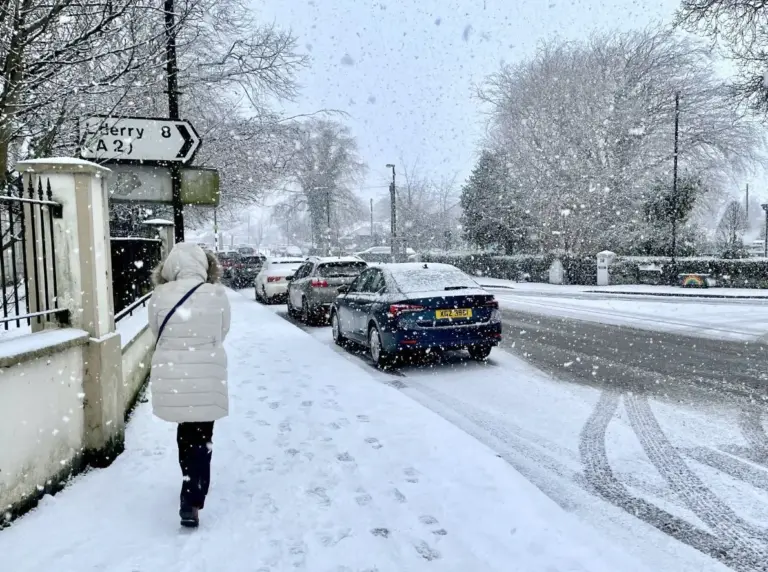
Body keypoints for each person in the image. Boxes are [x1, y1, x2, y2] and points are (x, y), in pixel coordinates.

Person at [148, 242, 231, 528]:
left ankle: (188, 482)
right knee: (202, 435)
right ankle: (192, 497)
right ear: (204, 266)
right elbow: (222, 331)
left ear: (171, 266)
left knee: (185, 431)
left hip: (174, 374)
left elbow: (156, 331)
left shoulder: (160, 296)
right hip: (207, 373)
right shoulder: (217, 294)